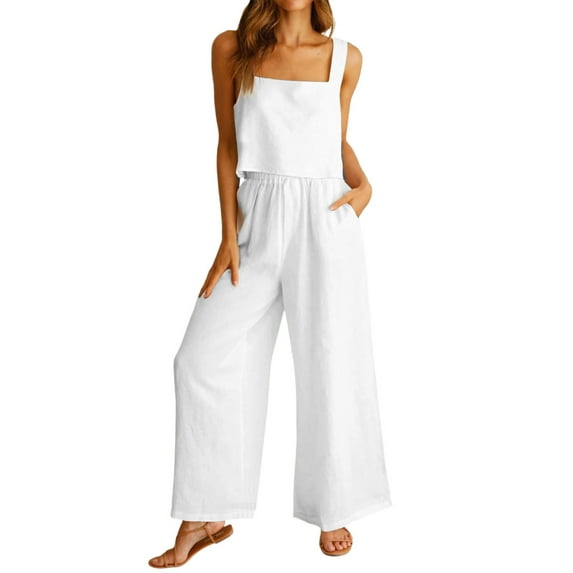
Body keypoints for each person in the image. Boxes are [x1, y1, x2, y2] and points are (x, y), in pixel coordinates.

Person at [148, 0, 391, 567]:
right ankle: (205, 512)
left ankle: (335, 505)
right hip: (255, 217)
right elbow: (227, 144)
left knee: (330, 362)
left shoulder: (345, 58)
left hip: (323, 219)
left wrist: (364, 186)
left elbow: (335, 139)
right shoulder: (231, 49)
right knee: (200, 360)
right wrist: (228, 235)